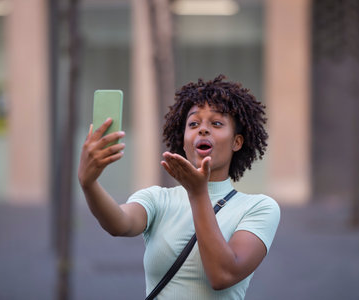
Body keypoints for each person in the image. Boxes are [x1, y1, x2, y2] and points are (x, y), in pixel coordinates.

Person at [78, 74, 280, 299]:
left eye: (216, 123)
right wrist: (89, 184)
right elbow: (119, 224)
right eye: (193, 124)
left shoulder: (259, 208)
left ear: (237, 142)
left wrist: (198, 193)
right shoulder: (157, 198)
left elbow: (222, 275)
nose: (203, 130)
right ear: (183, 141)